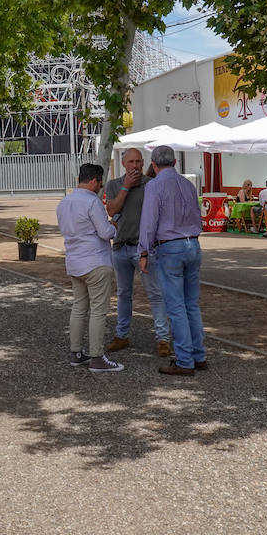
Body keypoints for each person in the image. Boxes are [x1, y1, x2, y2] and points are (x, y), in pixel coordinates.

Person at [139, 145, 207, 376]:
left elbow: (149, 221)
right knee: (191, 304)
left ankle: (185, 360)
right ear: (175, 162)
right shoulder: (188, 185)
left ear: (154, 165)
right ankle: (199, 355)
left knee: (176, 306)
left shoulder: (154, 185)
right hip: (193, 243)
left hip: (170, 247)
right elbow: (198, 213)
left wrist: (144, 251)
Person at [104, 148, 173, 357]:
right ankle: (121, 335)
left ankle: (163, 338)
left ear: (144, 163)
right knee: (123, 294)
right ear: (123, 163)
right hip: (120, 247)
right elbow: (112, 210)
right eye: (131, 162)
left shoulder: (151, 185)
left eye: (138, 162)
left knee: (155, 293)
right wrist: (126, 187)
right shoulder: (114, 184)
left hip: (144, 249)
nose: (135, 166)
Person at [56, 162, 123, 372]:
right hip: (95, 262)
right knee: (98, 311)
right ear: (94, 181)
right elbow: (105, 232)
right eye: (100, 182)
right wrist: (114, 227)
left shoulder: (64, 202)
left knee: (78, 308)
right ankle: (97, 356)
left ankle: (76, 352)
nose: (101, 186)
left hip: (74, 262)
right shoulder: (92, 202)